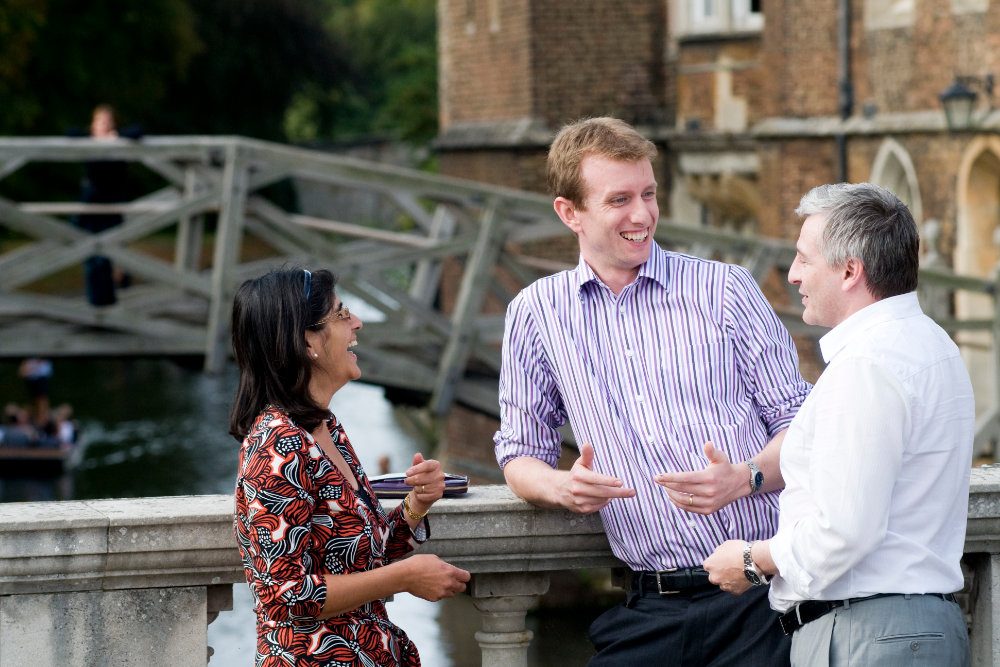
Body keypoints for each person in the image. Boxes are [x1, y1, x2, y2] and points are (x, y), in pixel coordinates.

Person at [494, 117, 811, 665]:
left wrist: (744, 477)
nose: (642, 215)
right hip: (649, 607)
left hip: (764, 598)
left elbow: (803, 427)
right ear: (569, 213)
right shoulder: (535, 313)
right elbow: (519, 453)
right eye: (619, 199)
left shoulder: (724, 289)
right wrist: (561, 487)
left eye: (648, 194)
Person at [703, 183, 973, 666]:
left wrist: (751, 561)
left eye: (805, 259)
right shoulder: (933, 344)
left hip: (869, 635)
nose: (792, 275)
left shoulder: (867, 365)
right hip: (910, 629)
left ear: (850, 271)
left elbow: (845, 530)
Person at [229, 267, 470, 666]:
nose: (356, 322)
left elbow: (362, 555)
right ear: (308, 341)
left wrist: (417, 503)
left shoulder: (325, 429)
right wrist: (406, 578)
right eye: (342, 314)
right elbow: (288, 595)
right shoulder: (277, 446)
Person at [73, 104, 140, 306]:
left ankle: (115, 302)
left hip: (112, 207)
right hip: (91, 209)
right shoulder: (87, 141)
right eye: (101, 122)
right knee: (94, 258)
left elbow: (138, 131)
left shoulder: (120, 139)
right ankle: (98, 305)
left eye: (109, 122)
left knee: (115, 255)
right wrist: (95, 140)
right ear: (93, 125)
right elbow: (71, 133)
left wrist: (116, 138)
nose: (105, 125)